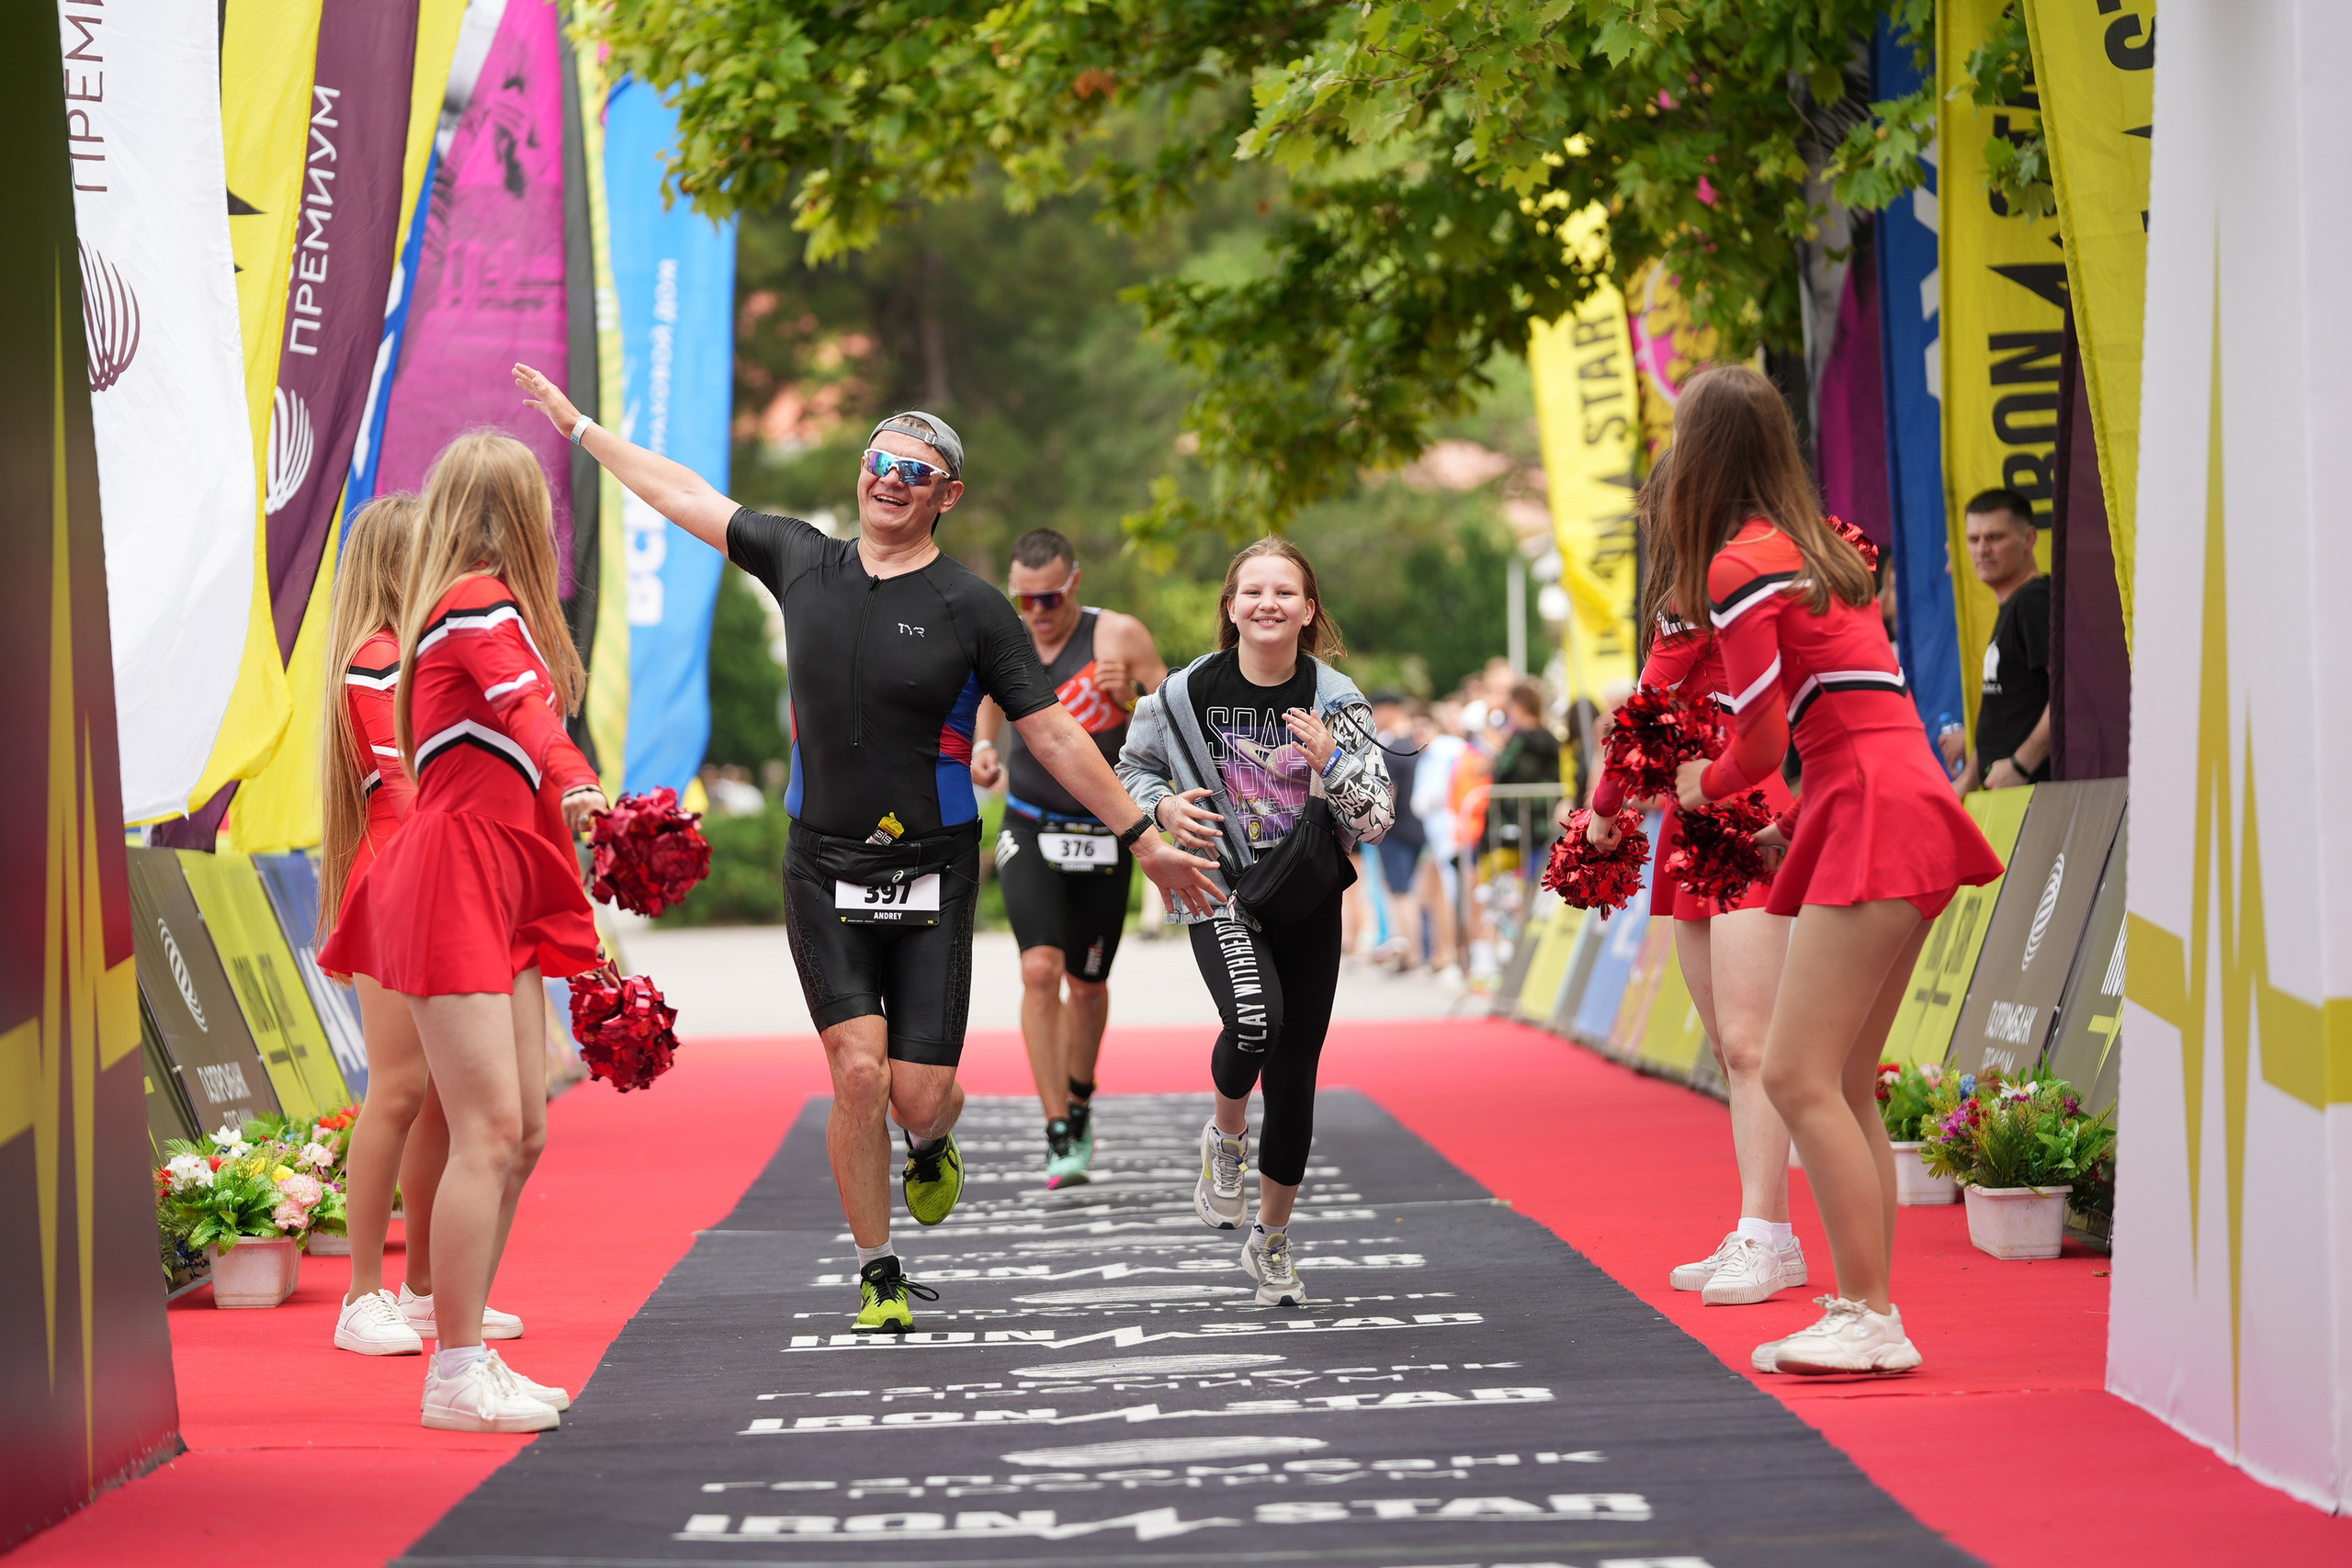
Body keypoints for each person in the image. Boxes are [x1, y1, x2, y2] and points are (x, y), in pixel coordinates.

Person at [513, 366, 1219, 1335]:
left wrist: (1141, 838)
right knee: (856, 1074)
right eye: (879, 462)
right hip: (823, 865)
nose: (891, 480)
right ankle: (877, 1270)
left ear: (946, 496)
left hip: (934, 865)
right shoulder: (802, 561)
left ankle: (932, 1143)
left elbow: (1052, 733)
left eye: (915, 471)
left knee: (918, 1096)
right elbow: (682, 491)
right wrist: (582, 426)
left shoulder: (974, 608)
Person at [1666, 367, 2004, 1375]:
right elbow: (1857, 709)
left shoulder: (1738, 565)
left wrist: (1702, 783)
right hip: (1886, 801)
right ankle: (1865, 1308)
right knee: (1844, 1076)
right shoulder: (1825, 552)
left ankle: (1868, 1311)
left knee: (1794, 1071)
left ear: (1700, 457)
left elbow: (1761, 742)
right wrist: (1796, 818)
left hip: (1871, 811)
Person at [319, 432, 609, 1432]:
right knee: (481, 1126)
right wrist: (582, 787)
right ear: (529, 514)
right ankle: (453, 1368)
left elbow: (520, 732)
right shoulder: (476, 602)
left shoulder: (493, 610)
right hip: (452, 875)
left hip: (496, 873)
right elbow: (529, 717)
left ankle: (466, 1339)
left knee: (520, 1129)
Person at [1117, 537, 1393, 1308]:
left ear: (1309, 610)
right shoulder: (1180, 695)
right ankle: (1226, 1138)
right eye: (1252, 591)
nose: (1267, 604)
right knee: (1252, 1024)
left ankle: (1271, 1241)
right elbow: (1127, 768)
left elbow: (1376, 820)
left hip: (1307, 896)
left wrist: (1334, 762)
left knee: (1296, 1075)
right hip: (1219, 888)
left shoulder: (1337, 699)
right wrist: (1163, 806)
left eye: (1285, 592)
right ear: (1231, 606)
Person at [1569, 450, 1804, 1308]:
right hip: (1692, 823)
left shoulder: (1731, 580)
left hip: (1748, 817)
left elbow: (1644, 715)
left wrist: (1600, 817)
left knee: (1755, 1043)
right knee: (1730, 1046)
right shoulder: (1684, 593)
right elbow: (1651, 717)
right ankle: (1764, 1229)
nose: (1660, 514)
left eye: (1668, 500)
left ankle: (1766, 1233)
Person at [969, 527, 1169, 1187]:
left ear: (1074, 583)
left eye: (1049, 598)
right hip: (1029, 823)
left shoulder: (1119, 636)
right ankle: (1056, 1125)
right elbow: (993, 698)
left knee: (1087, 989)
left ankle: (1080, 1101)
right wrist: (985, 746)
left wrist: (1128, 702)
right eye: (1024, 599)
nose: (1037, 613)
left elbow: (1175, 720)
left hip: (1105, 830)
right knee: (1038, 970)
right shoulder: (1010, 632)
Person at [1944, 489, 2051, 792]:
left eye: (1995, 537)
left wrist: (2021, 764)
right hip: (2007, 795)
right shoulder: (2014, 604)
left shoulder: (2034, 602)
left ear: (2029, 539)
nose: (1982, 550)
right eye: (1974, 539)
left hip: (2038, 796)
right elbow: (2003, 716)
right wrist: (1968, 778)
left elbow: (2070, 696)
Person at [1368, 692, 1426, 969]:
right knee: (1409, 890)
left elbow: (1387, 798)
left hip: (1397, 830)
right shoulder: (1414, 744)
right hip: (1416, 828)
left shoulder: (1392, 750)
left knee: (1400, 891)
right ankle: (1413, 951)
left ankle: (1411, 953)